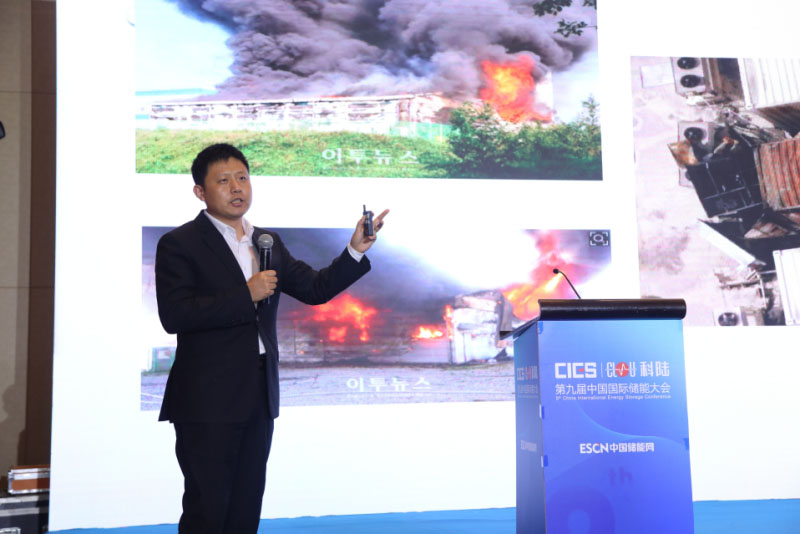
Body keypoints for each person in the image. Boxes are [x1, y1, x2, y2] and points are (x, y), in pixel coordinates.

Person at [155, 143, 388, 533]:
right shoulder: (180, 244)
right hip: (206, 398)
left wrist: (354, 250)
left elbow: (315, 289)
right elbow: (175, 315)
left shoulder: (268, 242)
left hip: (258, 393)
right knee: (207, 508)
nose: (236, 188)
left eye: (242, 178)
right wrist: (245, 294)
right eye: (223, 180)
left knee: (246, 505)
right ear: (200, 191)